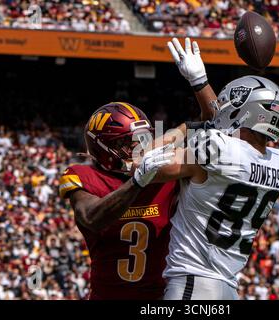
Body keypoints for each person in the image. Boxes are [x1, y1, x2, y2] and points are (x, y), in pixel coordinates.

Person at [58, 37, 218, 299]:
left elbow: (216, 124)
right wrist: (138, 182)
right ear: (103, 147)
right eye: (128, 143)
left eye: (142, 138)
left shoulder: (161, 168)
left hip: (160, 298)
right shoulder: (84, 176)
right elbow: (91, 218)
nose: (140, 147)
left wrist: (199, 81)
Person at [148, 72, 279, 299]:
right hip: (228, 288)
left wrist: (188, 127)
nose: (223, 111)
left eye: (230, 106)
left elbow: (144, 164)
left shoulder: (218, 149)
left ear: (245, 113)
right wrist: (200, 82)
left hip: (193, 283)